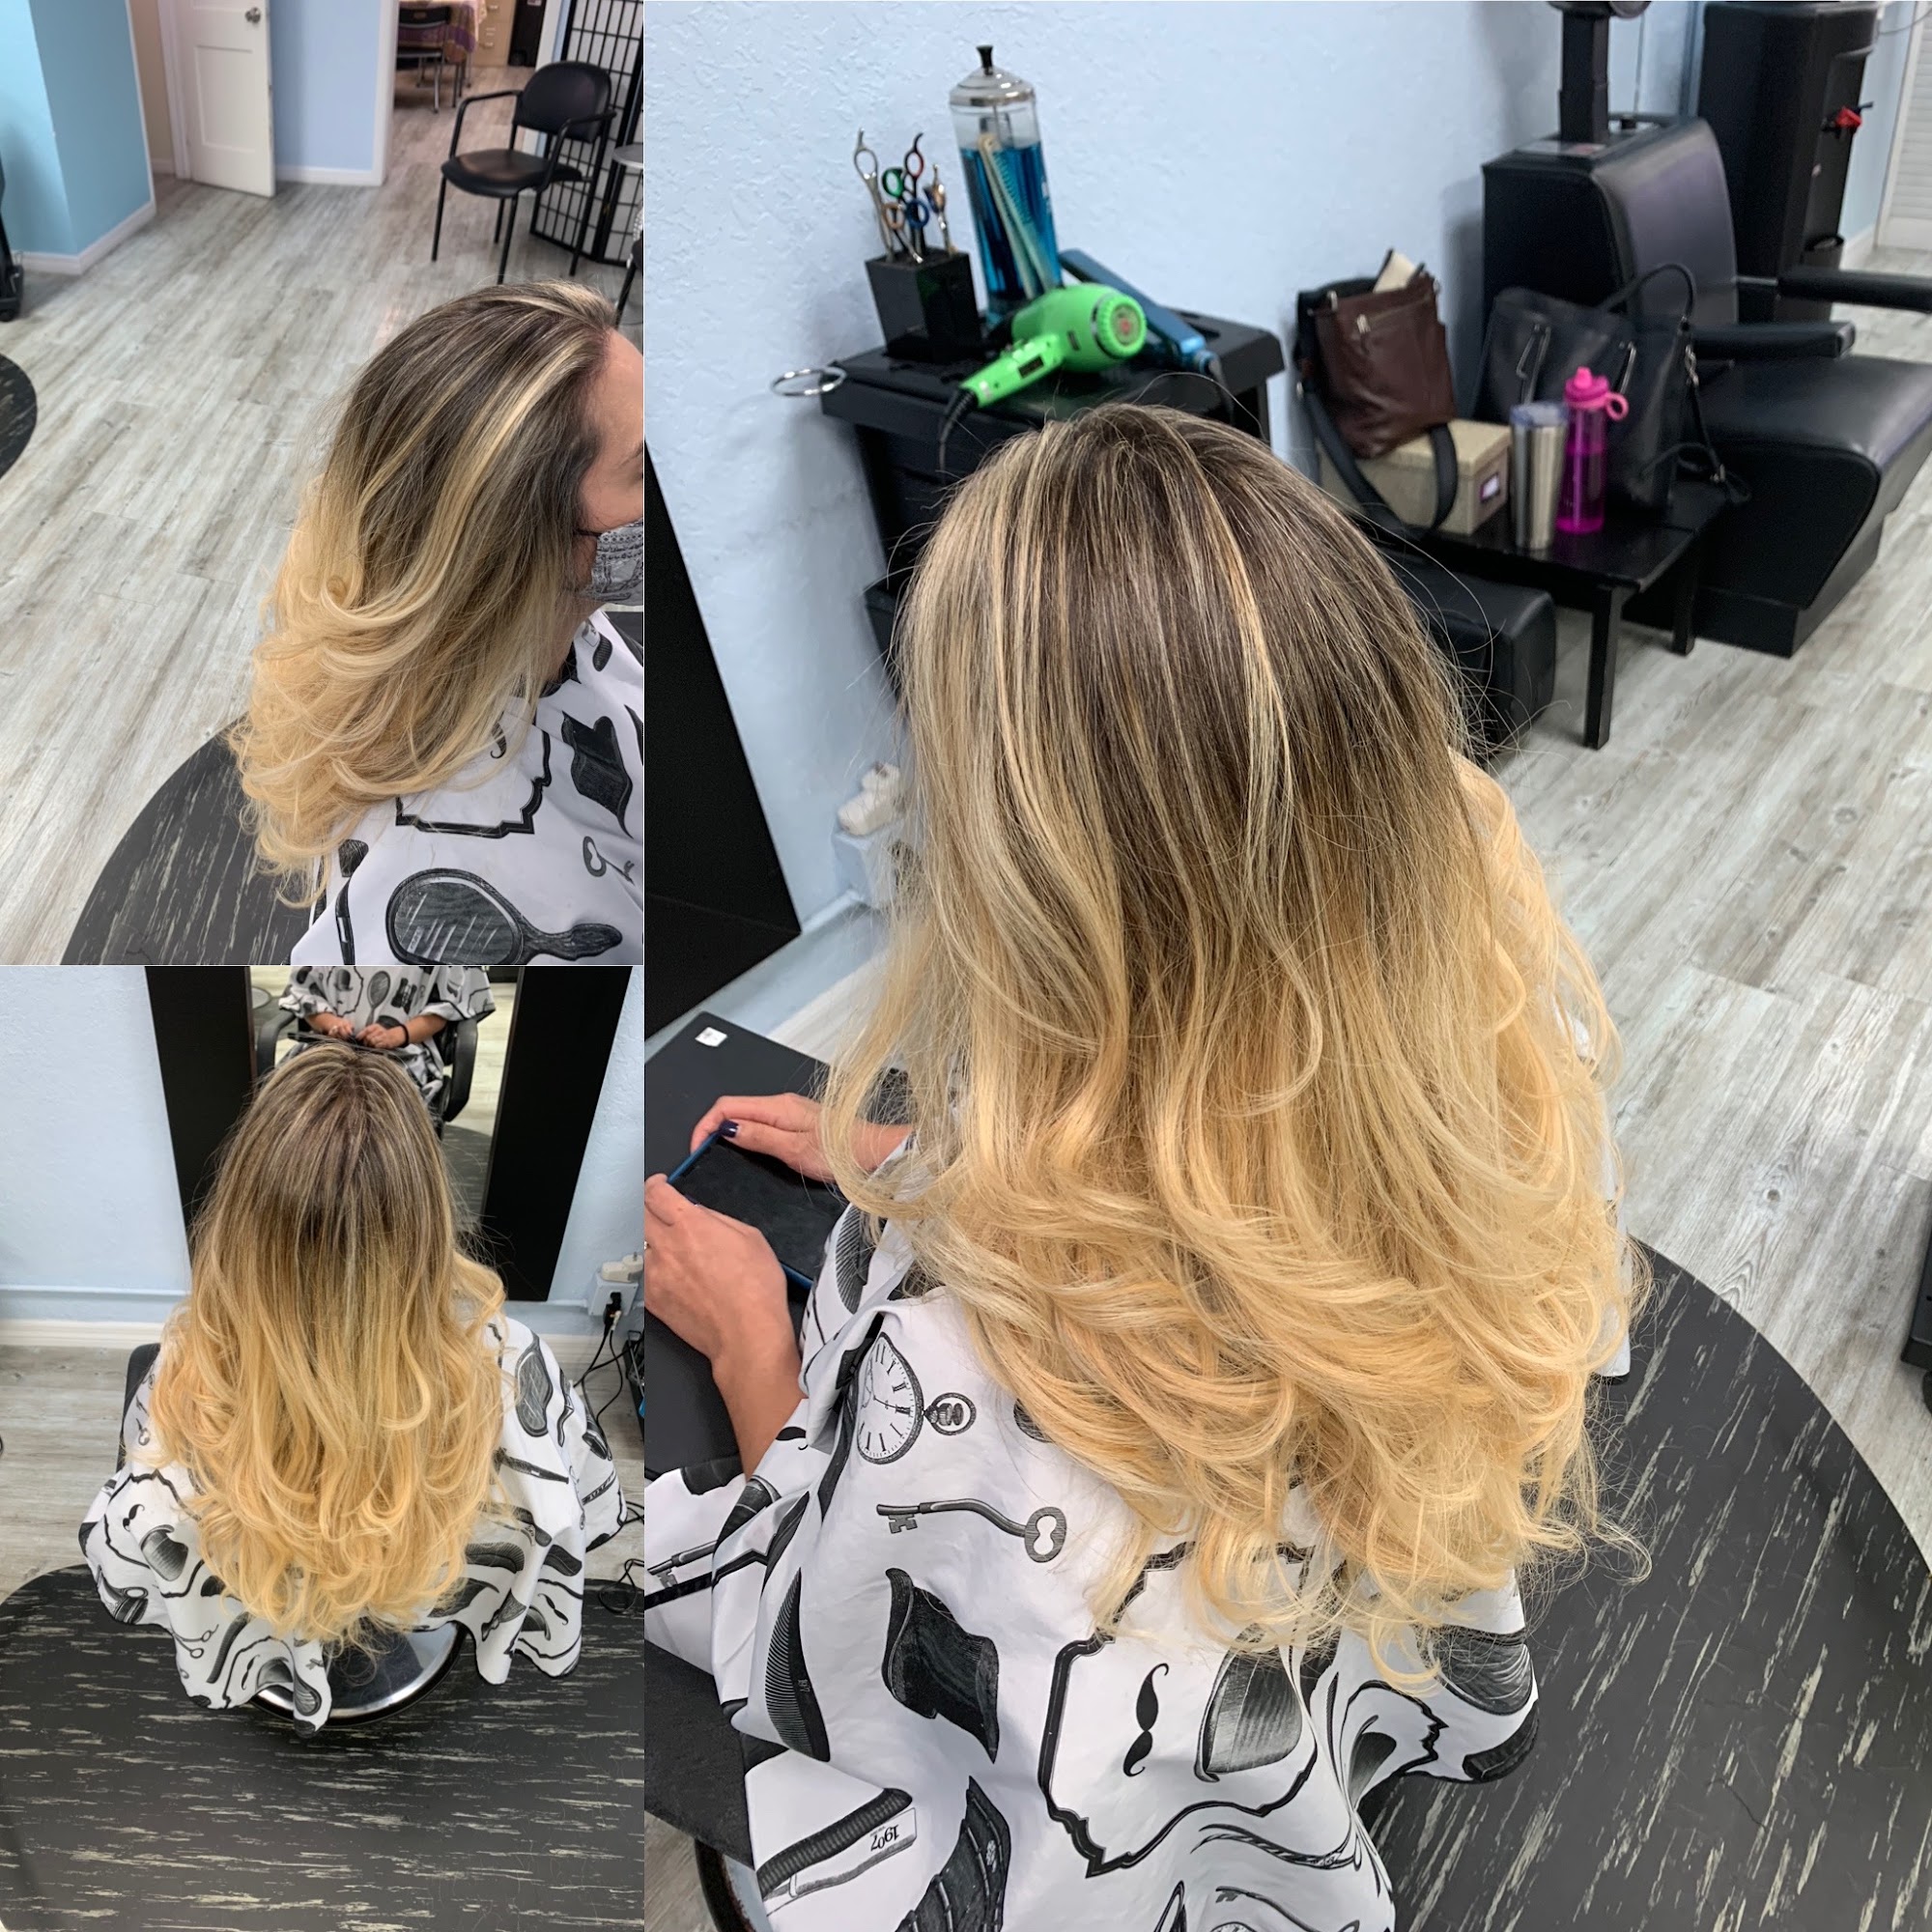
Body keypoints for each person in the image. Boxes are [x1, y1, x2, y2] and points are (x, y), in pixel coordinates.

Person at [640, 408, 1639, 1930]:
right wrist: (944, 1160)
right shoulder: (1499, 1065)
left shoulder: (959, 1365)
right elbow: (1242, 1120)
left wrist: (754, 1348)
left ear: (1019, 885)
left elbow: (838, 1638)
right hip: (1338, 1680)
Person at [82, 1044, 623, 1733]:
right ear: (428, 1218)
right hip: (423, 1601)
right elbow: (575, 1515)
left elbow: (130, 1562)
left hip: (263, 1613)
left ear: (240, 1223)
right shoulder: (516, 1370)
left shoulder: (187, 1383)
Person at [231, 280, 643, 969]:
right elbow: (339, 1010)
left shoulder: (558, 626)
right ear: (523, 540)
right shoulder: (434, 864)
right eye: (645, 467)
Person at [278, 965, 496, 1113]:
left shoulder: (441, 933)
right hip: (328, 1046)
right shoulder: (328, 927)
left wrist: (398, 1034)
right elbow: (304, 993)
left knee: (380, 1112)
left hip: (404, 1053)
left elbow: (446, 1008)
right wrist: (331, 1023)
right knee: (290, 1100)